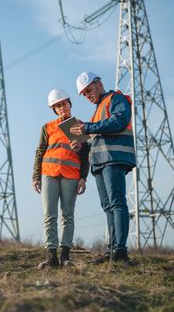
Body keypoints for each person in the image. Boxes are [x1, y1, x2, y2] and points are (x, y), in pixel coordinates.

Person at [70, 71, 136, 264]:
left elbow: (119, 121)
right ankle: (112, 251)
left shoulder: (116, 99)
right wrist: (82, 144)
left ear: (98, 83)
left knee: (116, 203)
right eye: (84, 94)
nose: (87, 95)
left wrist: (88, 128)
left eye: (88, 90)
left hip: (113, 159)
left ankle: (120, 252)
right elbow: (96, 136)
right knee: (108, 207)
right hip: (99, 162)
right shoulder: (98, 110)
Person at [32, 88, 89, 269]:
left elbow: (85, 155)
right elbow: (40, 152)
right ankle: (51, 258)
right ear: (54, 110)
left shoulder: (80, 125)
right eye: (57, 106)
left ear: (70, 104)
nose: (62, 107)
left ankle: (65, 257)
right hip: (49, 174)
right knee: (49, 215)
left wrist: (83, 178)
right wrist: (36, 176)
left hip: (71, 176)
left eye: (64, 103)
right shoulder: (47, 127)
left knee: (68, 215)